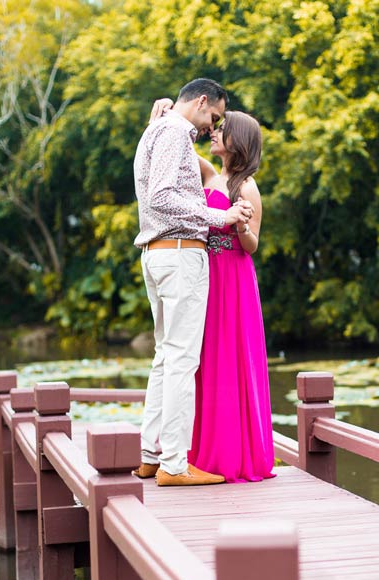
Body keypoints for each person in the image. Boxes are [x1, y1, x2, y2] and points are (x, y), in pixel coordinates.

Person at [133, 78, 253, 487]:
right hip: (179, 253)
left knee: (166, 358)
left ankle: (152, 455)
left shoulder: (157, 130)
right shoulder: (175, 133)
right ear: (202, 102)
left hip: (157, 253)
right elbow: (162, 196)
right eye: (214, 116)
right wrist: (220, 218)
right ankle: (174, 464)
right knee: (182, 360)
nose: (211, 126)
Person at [149, 100, 276, 483]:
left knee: (230, 360)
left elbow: (253, 245)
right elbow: (176, 143)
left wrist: (239, 225)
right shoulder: (207, 175)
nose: (213, 132)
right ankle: (198, 451)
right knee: (202, 360)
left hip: (234, 278)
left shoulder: (247, 187)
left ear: (239, 141)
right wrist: (161, 118)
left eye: (222, 129)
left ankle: (232, 455)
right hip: (203, 273)